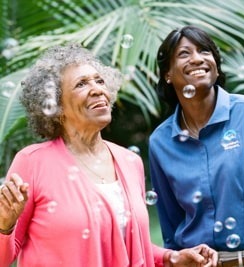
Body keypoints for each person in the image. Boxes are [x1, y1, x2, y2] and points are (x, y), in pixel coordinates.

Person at [0, 43, 218, 267]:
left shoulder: (129, 161)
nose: (97, 89)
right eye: (81, 84)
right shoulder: (33, 162)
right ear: (56, 105)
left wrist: (172, 257)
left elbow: (128, 246)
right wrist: (4, 225)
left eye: (100, 81)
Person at [148, 24, 244, 266]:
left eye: (204, 51)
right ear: (167, 74)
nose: (197, 59)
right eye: (184, 54)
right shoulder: (160, 143)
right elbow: (171, 226)